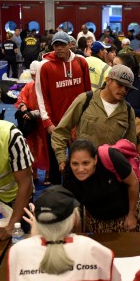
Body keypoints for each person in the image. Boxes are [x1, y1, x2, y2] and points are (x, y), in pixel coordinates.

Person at [3, 185, 122, 281]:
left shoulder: (16, 251)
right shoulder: (95, 249)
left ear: (37, 221)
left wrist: (35, 235)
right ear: (73, 218)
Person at [51, 64, 137, 170]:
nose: (123, 90)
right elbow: (60, 132)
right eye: (119, 84)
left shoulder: (128, 111)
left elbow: (130, 146)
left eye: (127, 88)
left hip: (111, 172)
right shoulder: (85, 100)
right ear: (108, 80)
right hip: (83, 169)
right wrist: (62, 160)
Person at [36, 31, 91, 186]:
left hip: (78, 121)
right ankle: (55, 191)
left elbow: (88, 93)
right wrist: (47, 122)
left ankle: (77, 188)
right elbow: (41, 95)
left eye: (62, 44)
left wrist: (87, 117)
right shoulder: (44, 66)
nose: (59, 48)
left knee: (79, 158)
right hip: (56, 123)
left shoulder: (81, 62)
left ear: (70, 45)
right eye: (56, 45)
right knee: (55, 162)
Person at [63, 139, 140, 233]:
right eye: (75, 164)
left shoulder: (112, 157)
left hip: (125, 216)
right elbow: (73, 209)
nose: (80, 169)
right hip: (96, 220)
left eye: (86, 163)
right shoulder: (69, 176)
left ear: (95, 160)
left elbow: (133, 183)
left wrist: (131, 215)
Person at [13, 60, 49, 184]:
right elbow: (22, 98)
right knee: (31, 147)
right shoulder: (30, 86)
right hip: (33, 126)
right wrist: (23, 107)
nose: (34, 77)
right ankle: (33, 174)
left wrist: (34, 114)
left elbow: (50, 107)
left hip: (45, 123)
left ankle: (48, 174)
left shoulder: (47, 87)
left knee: (47, 148)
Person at [114, 52, 140, 117]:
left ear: (129, 68)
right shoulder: (109, 82)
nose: (112, 68)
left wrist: (128, 110)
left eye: (116, 66)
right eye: (112, 65)